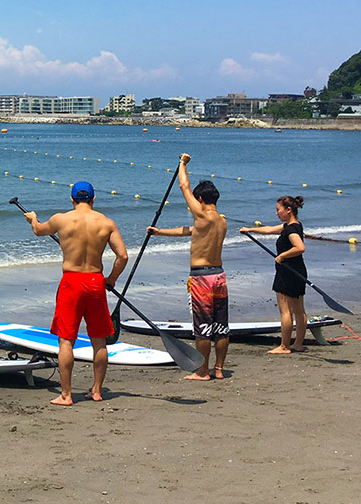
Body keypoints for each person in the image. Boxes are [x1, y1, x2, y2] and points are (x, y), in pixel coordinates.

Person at [23, 181, 128, 405]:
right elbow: (123, 257)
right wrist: (111, 279)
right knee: (99, 342)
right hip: (95, 282)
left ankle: (66, 395)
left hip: (71, 282)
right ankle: (97, 391)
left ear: (72, 199)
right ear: (93, 199)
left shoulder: (62, 219)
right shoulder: (106, 222)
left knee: (66, 341)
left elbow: (38, 230)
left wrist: (32, 218)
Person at [147, 153, 229, 380]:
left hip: (202, 279)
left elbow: (184, 186)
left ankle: (202, 371)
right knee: (221, 326)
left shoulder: (202, 213)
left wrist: (182, 164)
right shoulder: (221, 221)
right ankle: (219, 369)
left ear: (201, 199)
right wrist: (160, 232)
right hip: (219, 277)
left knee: (203, 328)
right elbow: (191, 231)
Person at [240, 196, 307, 354]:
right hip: (298, 270)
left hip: (288, 272)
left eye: (278, 209)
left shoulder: (290, 229)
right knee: (299, 310)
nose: (276, 213)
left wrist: (282, 256)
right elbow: (269, 229)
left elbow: (300, 247)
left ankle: (284, 346)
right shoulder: (294, 225)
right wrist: (249, 230)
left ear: (288, 210)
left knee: (286, 311)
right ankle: (297, 344)